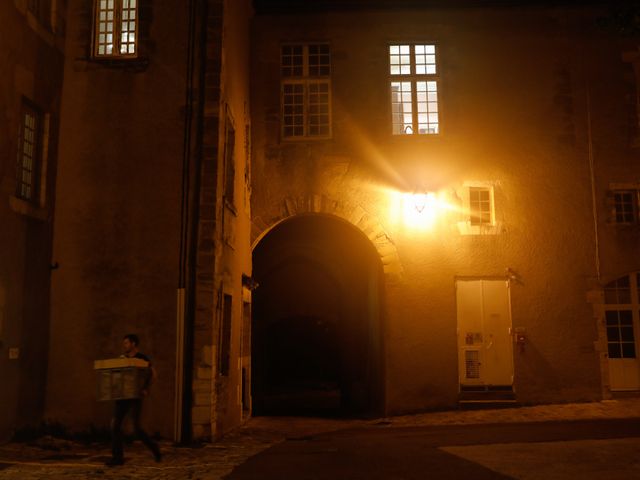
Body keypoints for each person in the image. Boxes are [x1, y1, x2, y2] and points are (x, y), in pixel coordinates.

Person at [106, 334, 162, 466]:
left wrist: (146, 388)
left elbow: (153, 374)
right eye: (124, 343)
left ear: (134, 344)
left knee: (136, 428)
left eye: (126, 343)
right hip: (122, 396)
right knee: (115, 425)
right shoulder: (122, 358)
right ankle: (117, 458)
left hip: (135, 397)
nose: (124, 345)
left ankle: (155, 449)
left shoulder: (142, 358)